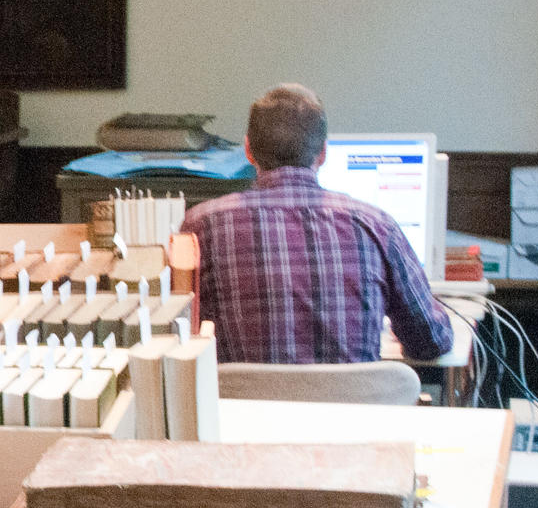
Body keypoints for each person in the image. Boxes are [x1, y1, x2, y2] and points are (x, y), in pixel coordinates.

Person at [180, 84, 454, 366]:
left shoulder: (201, 227)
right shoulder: (377, 226)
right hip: (352, 409)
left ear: (248, 151)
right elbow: (431, 341)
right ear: (323, 153)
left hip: (244, 409)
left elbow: (180, 336)